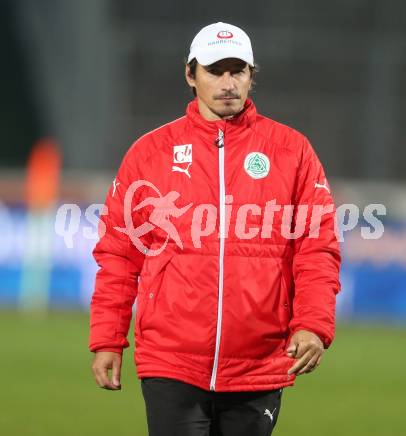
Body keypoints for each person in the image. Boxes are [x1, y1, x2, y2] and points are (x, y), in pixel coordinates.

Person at [89, 21, 341, 436]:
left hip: (258, 362)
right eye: (214, 70)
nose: (228, 83)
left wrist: (313, 324)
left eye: (237, 71)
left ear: (251, 75)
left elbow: (317, 249)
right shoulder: (149, 153)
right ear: (191, 75)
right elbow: (119, 254)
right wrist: (107, 338)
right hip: (171, 360)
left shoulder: (291, 151)